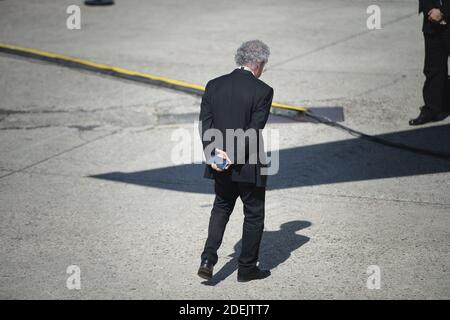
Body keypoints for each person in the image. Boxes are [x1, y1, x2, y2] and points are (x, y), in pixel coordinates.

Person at [197, 40, 274, 282]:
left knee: (221, 207)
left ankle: (208, 259)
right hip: (248, 163)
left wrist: (215, 153)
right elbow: (254, 129)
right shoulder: (263, 91)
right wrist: (234, 153)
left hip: (218, 161)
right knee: (253, 213)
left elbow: (205, 123)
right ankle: (247, 268)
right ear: (258, 64)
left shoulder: (214, 85)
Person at [410, 0, 450, 125]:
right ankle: (432, 109)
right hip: (432, 21)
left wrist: (444, 13)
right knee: (433, 67)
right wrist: (431, 11)